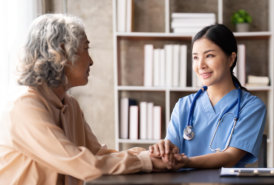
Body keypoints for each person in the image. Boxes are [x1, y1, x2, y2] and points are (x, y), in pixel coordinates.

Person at [0, 14, 171, 185]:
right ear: (61, 52)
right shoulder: (23, 106)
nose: (91, 61)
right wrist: (144, 162)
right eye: (86, 48)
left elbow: (97, 155)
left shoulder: (70, 104)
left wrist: (149, 155)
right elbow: (82, 164)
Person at [149, 24, 267, 169]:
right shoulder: (183, 105)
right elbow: (170, 154)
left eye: (209, 56)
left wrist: (188, 162)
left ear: (231, 59)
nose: (201, 65)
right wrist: (164, 149)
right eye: (196, 58)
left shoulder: (251, 107)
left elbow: (231, 157)